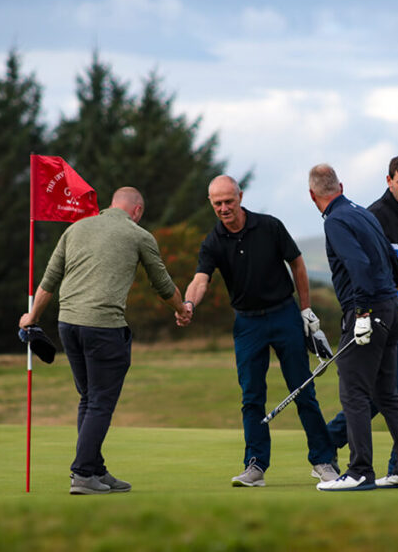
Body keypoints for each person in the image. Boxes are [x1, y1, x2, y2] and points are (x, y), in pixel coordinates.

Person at [19, 187, 190, 495]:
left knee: (88, 398)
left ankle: (96, 469)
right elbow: (162, 285)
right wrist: (181, 309)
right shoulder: (138, 235)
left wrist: (32, 317)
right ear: (137, 210)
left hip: (67, 325)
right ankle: (83, 473)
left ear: (112, 204)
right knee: (99, 401)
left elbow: (49, 280)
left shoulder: (76, 228)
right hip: (103, 327)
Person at [182, 175, 339, 487]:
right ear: (211, 203)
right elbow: (201, 279)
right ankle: (255, 465)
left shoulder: (269, 226)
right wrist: (189, 304)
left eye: (229, 201)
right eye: (217, 203)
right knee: (252, 396)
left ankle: (323, 460)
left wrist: (305, 309)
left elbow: (297, 264)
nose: (224, 208)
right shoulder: (213, 241)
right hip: (247, 324)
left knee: (303, 390)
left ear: (240, 196)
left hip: (284, 315)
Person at [308, 163, 398, 491]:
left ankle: (360, 470)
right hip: (392, 309)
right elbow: (392, 261)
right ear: (341, 187)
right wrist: (397, 293)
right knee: (386, 393)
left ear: (312, 196)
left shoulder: (335, 221)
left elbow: (358, 264)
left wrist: (361, 313)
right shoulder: (363, 213)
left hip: (368, 310)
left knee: (354, 392)